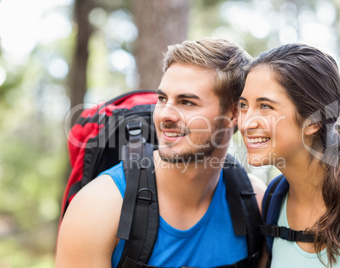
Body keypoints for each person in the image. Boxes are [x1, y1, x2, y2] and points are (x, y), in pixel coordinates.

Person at [56, 38, 267, 268]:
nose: (165, 115)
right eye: (162, 99)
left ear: (234, 113)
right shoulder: (98, 208)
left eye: (187, 102)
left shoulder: (256, 203)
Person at [238, 43, 340, 267]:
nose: (246, 123)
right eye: (243, 105)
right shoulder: (274, 199)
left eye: (266, 106)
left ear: (314, 121)